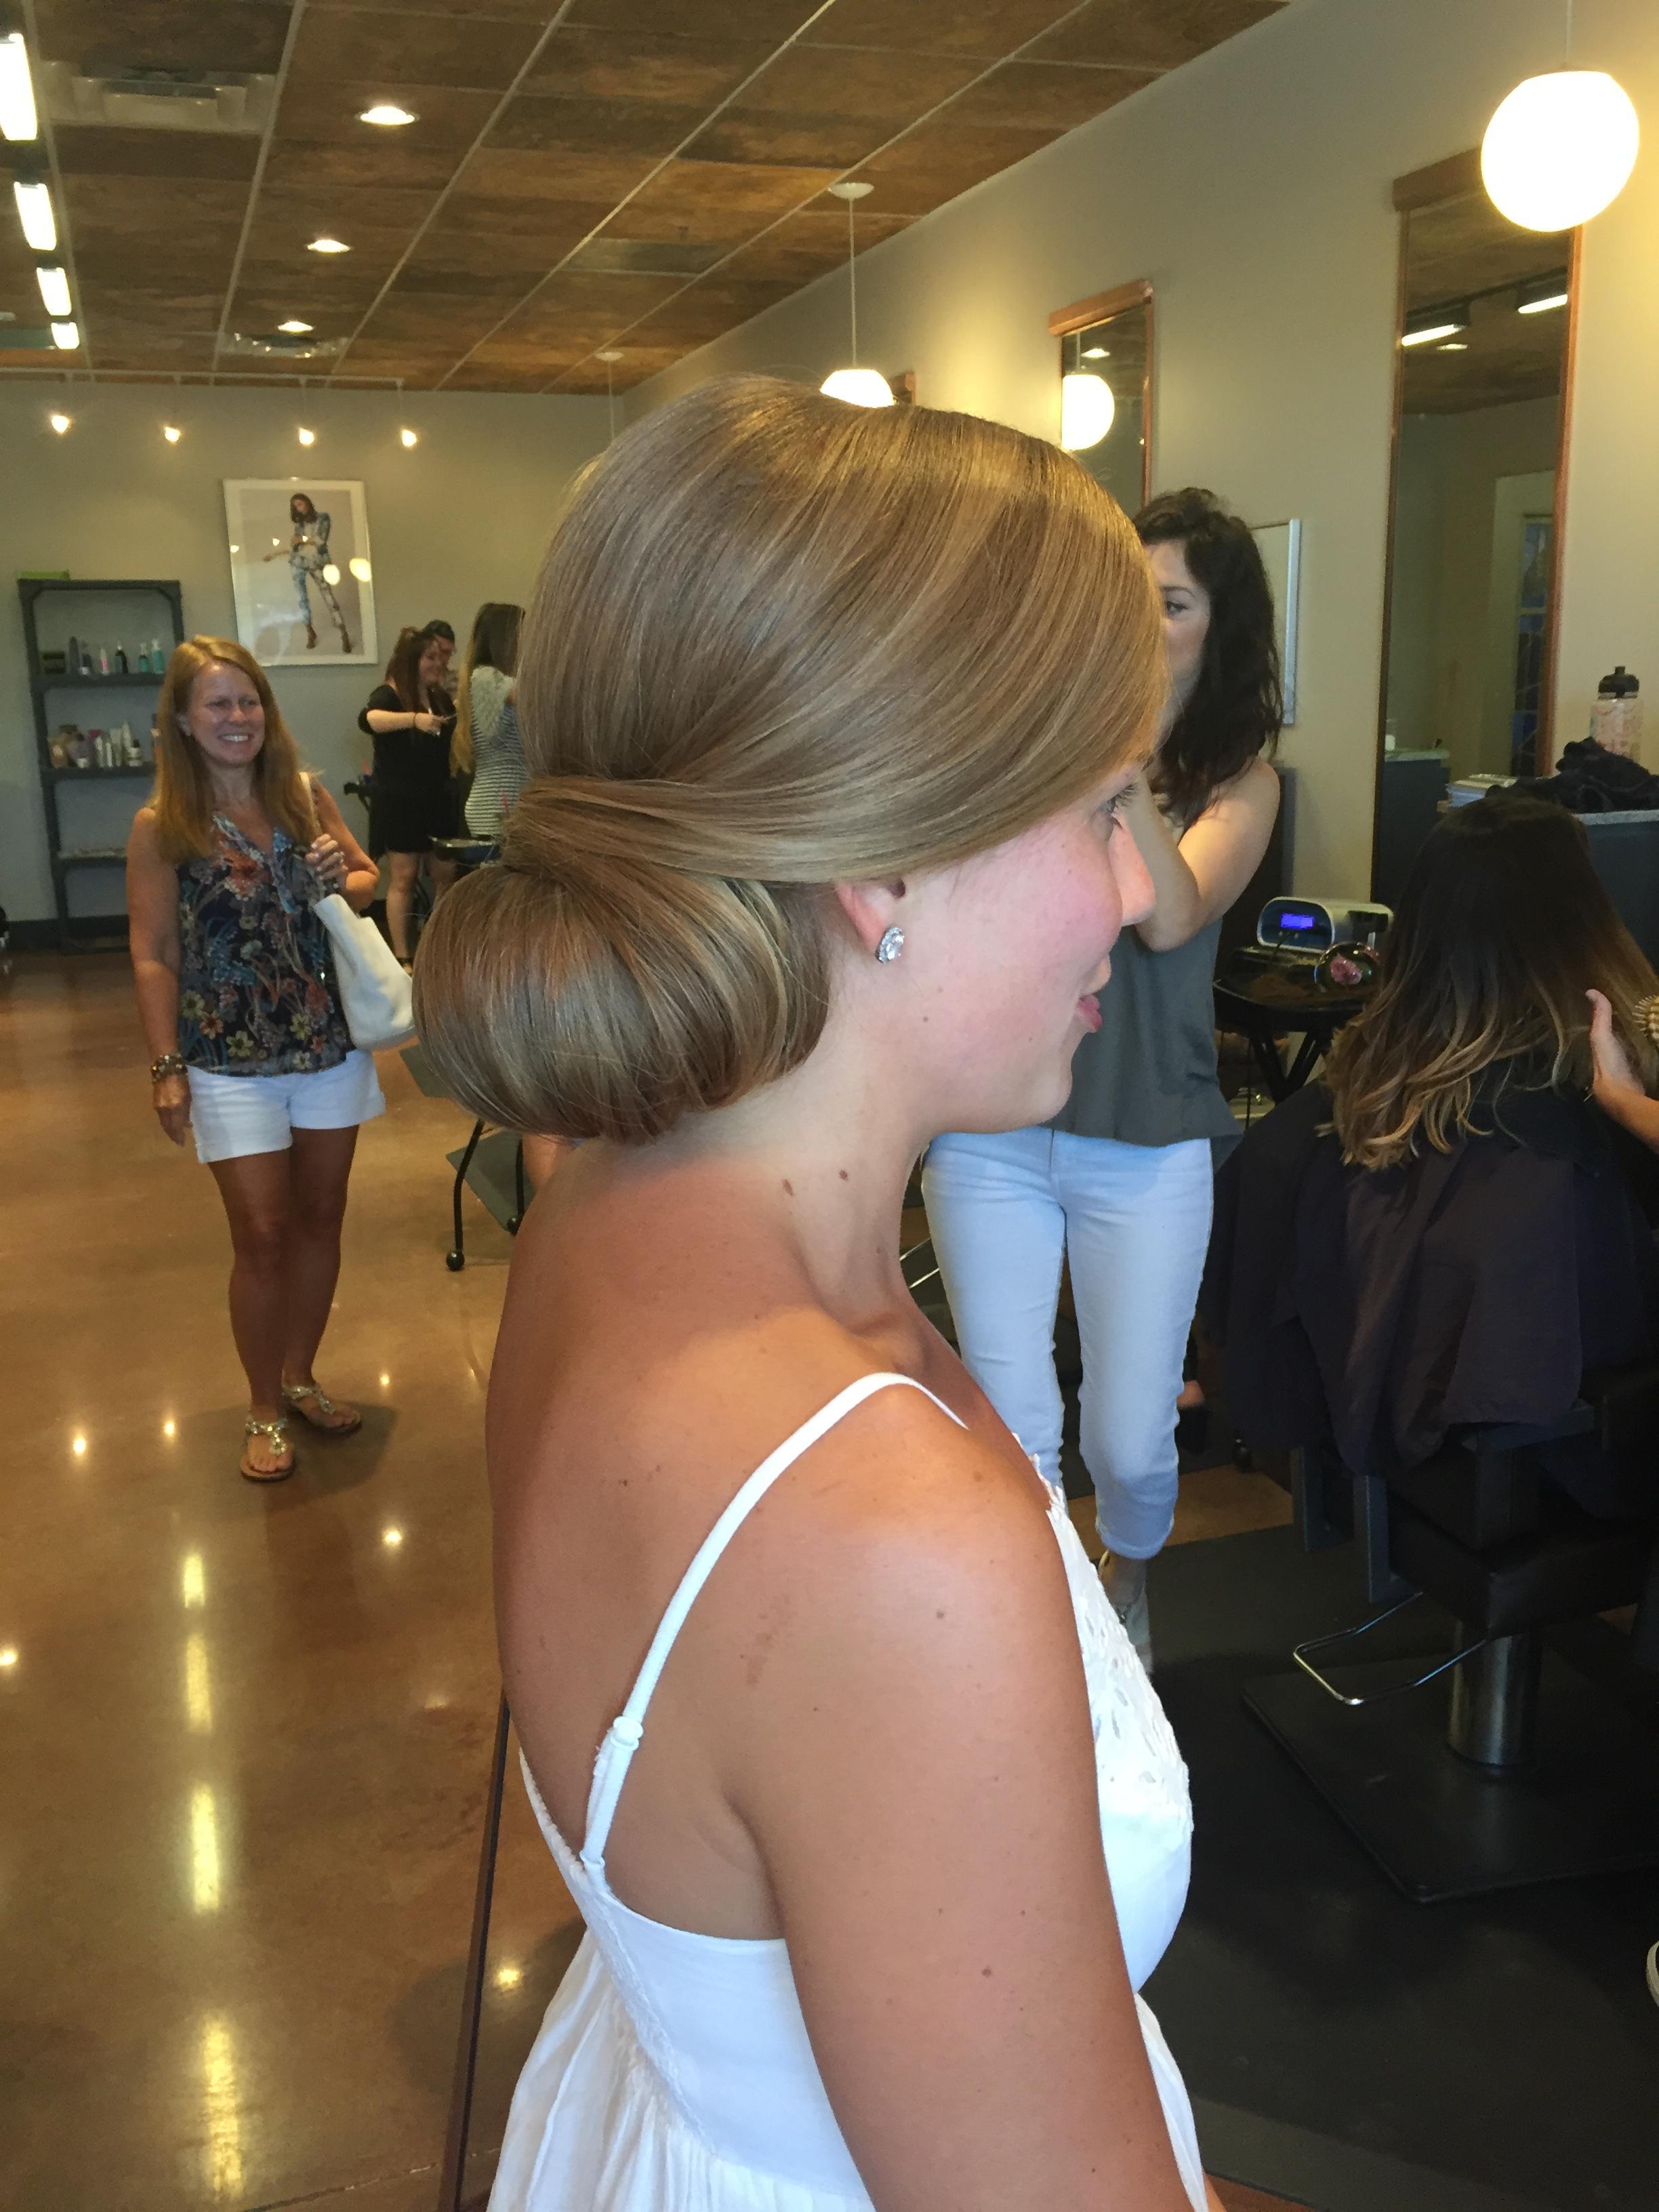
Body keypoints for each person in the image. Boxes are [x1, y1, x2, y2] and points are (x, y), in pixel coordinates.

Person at [413, 375, 1221, 2211]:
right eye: (1104, 808)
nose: (1131, 891)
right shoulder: (883, 1532)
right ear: (880, 864)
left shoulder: (603, 1200)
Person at [923, 487, 1282, 1668]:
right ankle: (1045, 1635)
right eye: (1126, 597)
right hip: (993, 1122)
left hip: (1147, 1135)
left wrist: (1119, 758)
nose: (1139, 622)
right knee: (1013, 1417)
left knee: (1129, 1439)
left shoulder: (1242, 782)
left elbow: (1168, 917)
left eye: (1170, 603)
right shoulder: (1032, 746)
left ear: (1218, 628)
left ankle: (1127, 1569)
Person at [1202, 798, 1659, 1506]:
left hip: (1399, 1450)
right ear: (1584, 923)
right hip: (1564, 1468)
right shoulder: (1569, 1121)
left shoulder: (1361, 1087)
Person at [126, 637, 383, 1481]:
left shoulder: (302, 797)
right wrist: (166, 1066)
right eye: (218, 704)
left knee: (321, 1216)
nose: (238, 718)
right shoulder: (163, 826)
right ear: (183, 719)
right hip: (226, 1059)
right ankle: (264, 1406)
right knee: (263, 1234)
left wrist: (338, 876)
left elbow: (368, 880)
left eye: (250, 702)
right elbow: (153, 951)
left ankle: (301, 1376)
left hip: (326, 1046)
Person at [360, 626, 457, 966]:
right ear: (412, 660)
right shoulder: (388, 694)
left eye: (442, 657)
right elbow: (370, 720)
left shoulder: (439, 697)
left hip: (437, 797)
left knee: (447, 873)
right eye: (430, 658)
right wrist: (414, 720)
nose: (438, 664)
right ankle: (404, 956)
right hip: (400, 800)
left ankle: (435, 943)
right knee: (404, 877)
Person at [455, 600, 528, 838]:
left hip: (512, 799)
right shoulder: (485, 677)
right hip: (497, 803)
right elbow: (532, 695)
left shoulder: (497, 680)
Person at [261, 493, 352, 653]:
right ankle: (310, 632)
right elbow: (296, 546)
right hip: (298, 562)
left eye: (300, 504)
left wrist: (301, 540)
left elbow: (321, 540)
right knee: (301, 598)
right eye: (295, 507)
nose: (299, 509)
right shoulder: (300, 523)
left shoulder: (323, 518)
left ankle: (344, 634)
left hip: (317, 561)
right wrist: (276, 554)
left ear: (307, 502)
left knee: (329, 597)